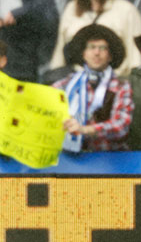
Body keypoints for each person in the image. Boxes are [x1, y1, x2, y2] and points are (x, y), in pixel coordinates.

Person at [54, 23, 134, 152]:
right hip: (75, 158)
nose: (97, 53)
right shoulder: (67, 84)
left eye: (103, 48)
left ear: (110, 56)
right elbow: (44, 102)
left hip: (110, 160)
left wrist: (85, 130)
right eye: (91, 47)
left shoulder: (121, 87)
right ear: (83, 53)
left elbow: (121, 127)